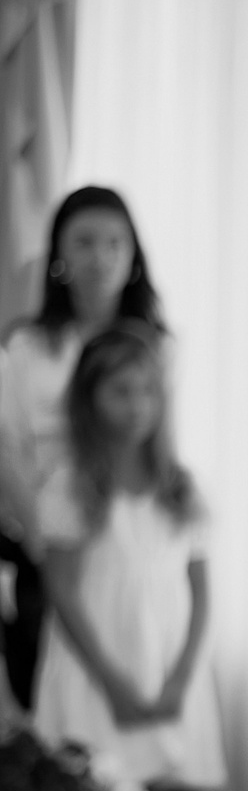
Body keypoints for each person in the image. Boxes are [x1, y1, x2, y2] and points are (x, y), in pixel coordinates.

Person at [34, 323, 224, 791]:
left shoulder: (180, 488)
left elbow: (200, 595)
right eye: (120, 391)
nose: (137, 405)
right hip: (99, 677)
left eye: (147, 390)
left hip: (166, 676)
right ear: (90, 398)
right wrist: (114, 682)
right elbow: (62, 592)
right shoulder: (71, 486)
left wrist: (179, 679)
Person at [0, 185, 166, 711]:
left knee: (137, 681)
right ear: (58, 256)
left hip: (131, 547)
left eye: (116, 242)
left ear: (134, 255)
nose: (101, 257)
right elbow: (9, 449)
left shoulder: (157, 346)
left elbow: (164, 451)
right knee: (52, 694)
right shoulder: (27, 347)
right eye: (85, 242)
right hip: (48, 542)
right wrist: (38, 538)